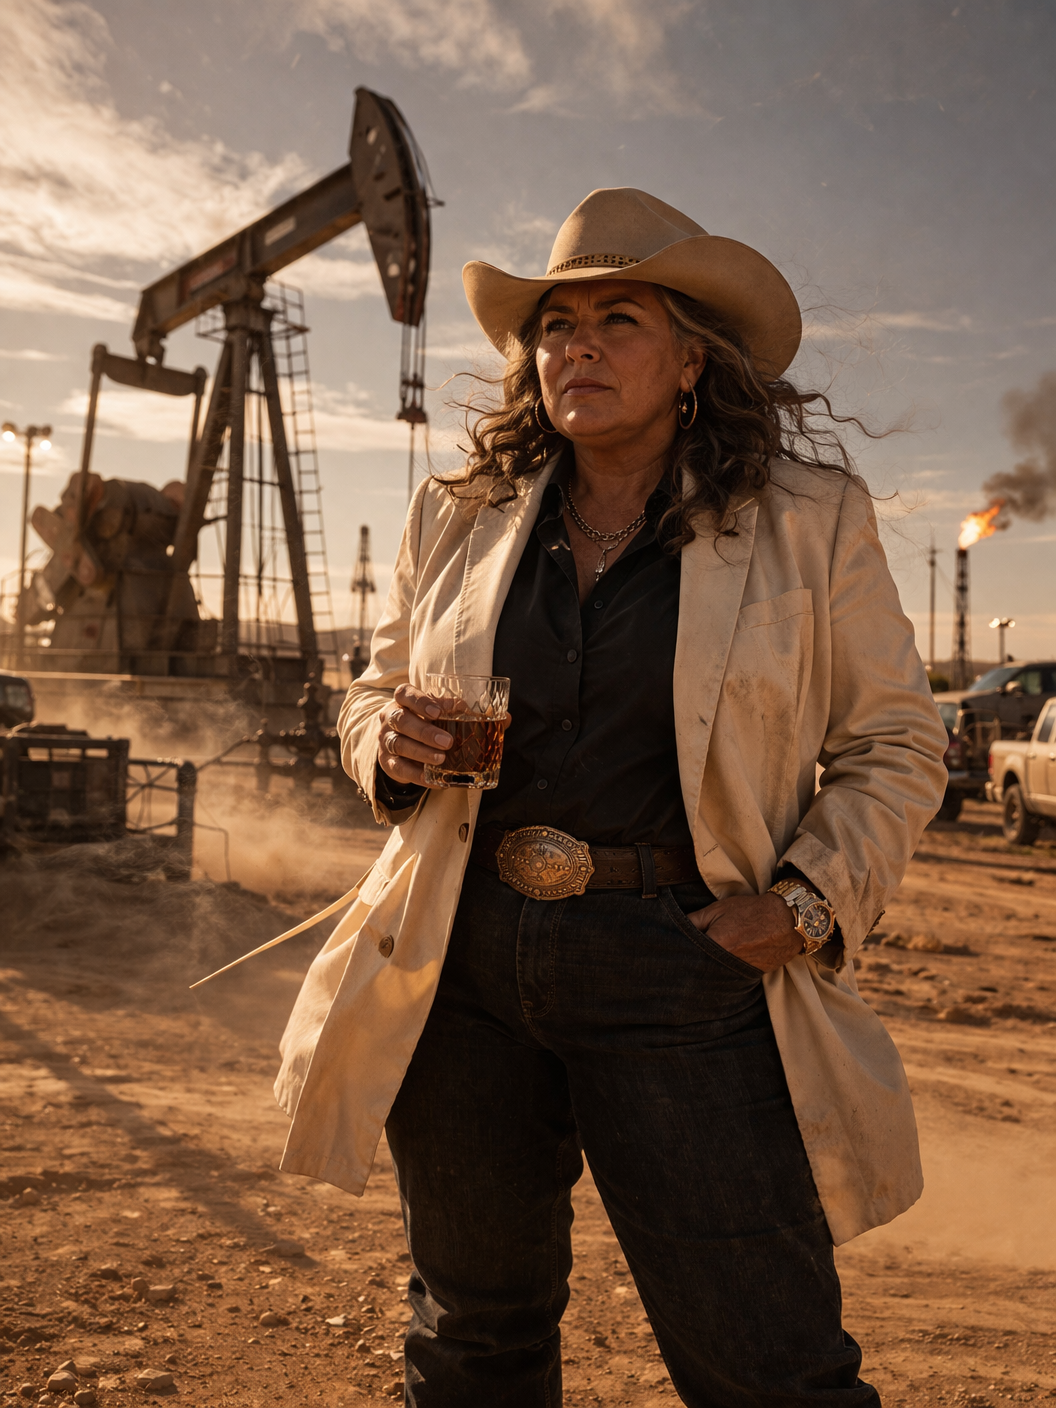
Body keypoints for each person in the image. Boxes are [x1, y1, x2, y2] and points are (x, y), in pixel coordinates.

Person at [275, 187, 948, 1406]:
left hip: (683, 965)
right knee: (474, 1338)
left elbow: (898, 744)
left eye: (618, 317)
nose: (576, 345)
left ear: (693, 357)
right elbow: (369, 691)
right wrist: (390, 738)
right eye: (554, 325)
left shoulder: (807, 520)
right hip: (464, 957)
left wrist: (801, 905)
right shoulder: (459, 515)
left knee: (769, 1362)